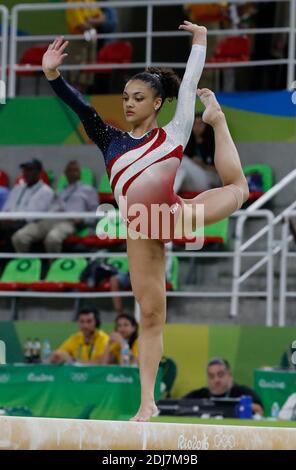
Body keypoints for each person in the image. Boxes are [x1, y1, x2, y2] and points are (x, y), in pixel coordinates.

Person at [42, 23, 249, 421]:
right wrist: (53, 74)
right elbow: (82, 106)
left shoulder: (175, 134)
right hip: (140, 228)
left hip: (175, 215)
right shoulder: (109, 139)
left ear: (157, 103)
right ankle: (147, 402)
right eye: (125, 97)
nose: (129, 104)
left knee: (238, 189)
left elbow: (189, 84)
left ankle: (219, 120)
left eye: (138, 98)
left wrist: (201, 40)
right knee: (151, 316)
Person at [12, 160, 99, 253]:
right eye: (69, 170)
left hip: (69, 222)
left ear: (80, 174)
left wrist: (83, 219)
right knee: (19, 237)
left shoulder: (89, 190)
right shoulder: (60, 192)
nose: (72, 173)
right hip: (50, 219)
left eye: (75, 170)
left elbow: (95, 212)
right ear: (65, 174)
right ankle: (26, 264)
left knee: (52, 239)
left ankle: (53, 266)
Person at [0, 159, 54, 250]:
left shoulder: (46, 191)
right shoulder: (18, 188)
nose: (25, 173)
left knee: (10, 232)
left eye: (29, 170)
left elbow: (32, 216)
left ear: (39, 172)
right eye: (24, 170)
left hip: (29, 224)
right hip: (9, 221)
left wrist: (10, 220)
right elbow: (6, 208)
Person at [184, 357, 264, 416]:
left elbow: (259, 410)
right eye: (211, 376)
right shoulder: (198, 395)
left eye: (220, 375)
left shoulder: (244, 392)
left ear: (230, 375)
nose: (216, 380)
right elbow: (177, 406)